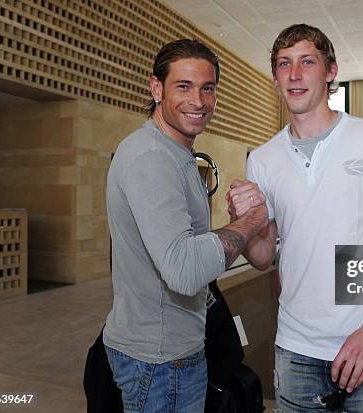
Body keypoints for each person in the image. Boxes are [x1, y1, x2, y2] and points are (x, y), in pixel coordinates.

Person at [227, 24, 363, 412]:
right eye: (284, 64)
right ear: (275, 77)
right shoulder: (263, 160)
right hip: (296, 351)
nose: (294, 75)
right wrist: (244, 223)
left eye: (307, 62)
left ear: (330, 71)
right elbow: (265, 256)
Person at [103, 39, 267, 413]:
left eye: (207, 88)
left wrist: (230, 228)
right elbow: (184, 270)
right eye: (184, 86)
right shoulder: (152, 158)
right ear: (156, 88)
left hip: (164, 352)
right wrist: (250, 222)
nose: (198, 101)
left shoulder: (174, 152)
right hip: (161, 363)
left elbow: (185, 247)